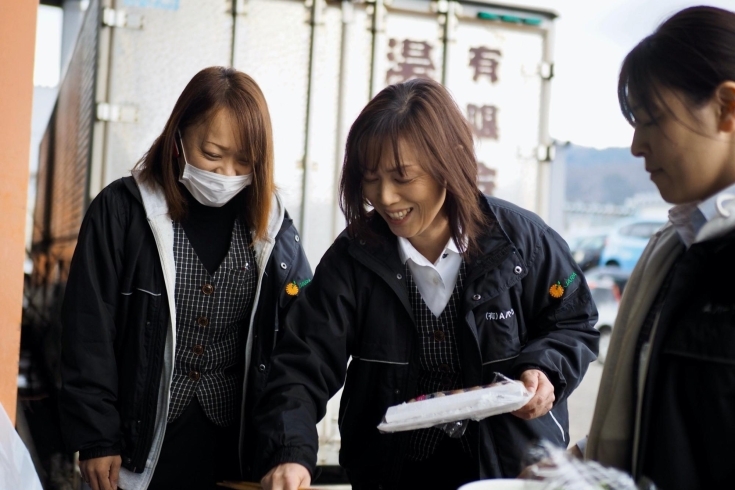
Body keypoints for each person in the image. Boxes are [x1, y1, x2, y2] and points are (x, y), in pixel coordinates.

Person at [253, 78, 599, 490]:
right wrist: (291, 454)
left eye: (403, 177)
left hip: (508, 472)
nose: (384, 197)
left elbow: (572, 322)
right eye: (370, 177)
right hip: (394, 474)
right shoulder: (353, 257)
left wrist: (545, 370)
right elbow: (302, 363)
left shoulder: (522, 241)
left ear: (448, 163)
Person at [58, 66, 312, 490]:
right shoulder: (122, 212)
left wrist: (287, 448)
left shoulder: (274, 228)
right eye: (212, 154)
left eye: (244, 162)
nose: (227, 174)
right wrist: (96, 435)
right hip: (135, 448)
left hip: (233, 454)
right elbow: (88, 331)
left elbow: (298, 345)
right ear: (177, 137)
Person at [584, 6, 735, 489]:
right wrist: (574, 471)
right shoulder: (669, 250)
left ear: (727, 108)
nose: (636, 145)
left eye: (650, 119)